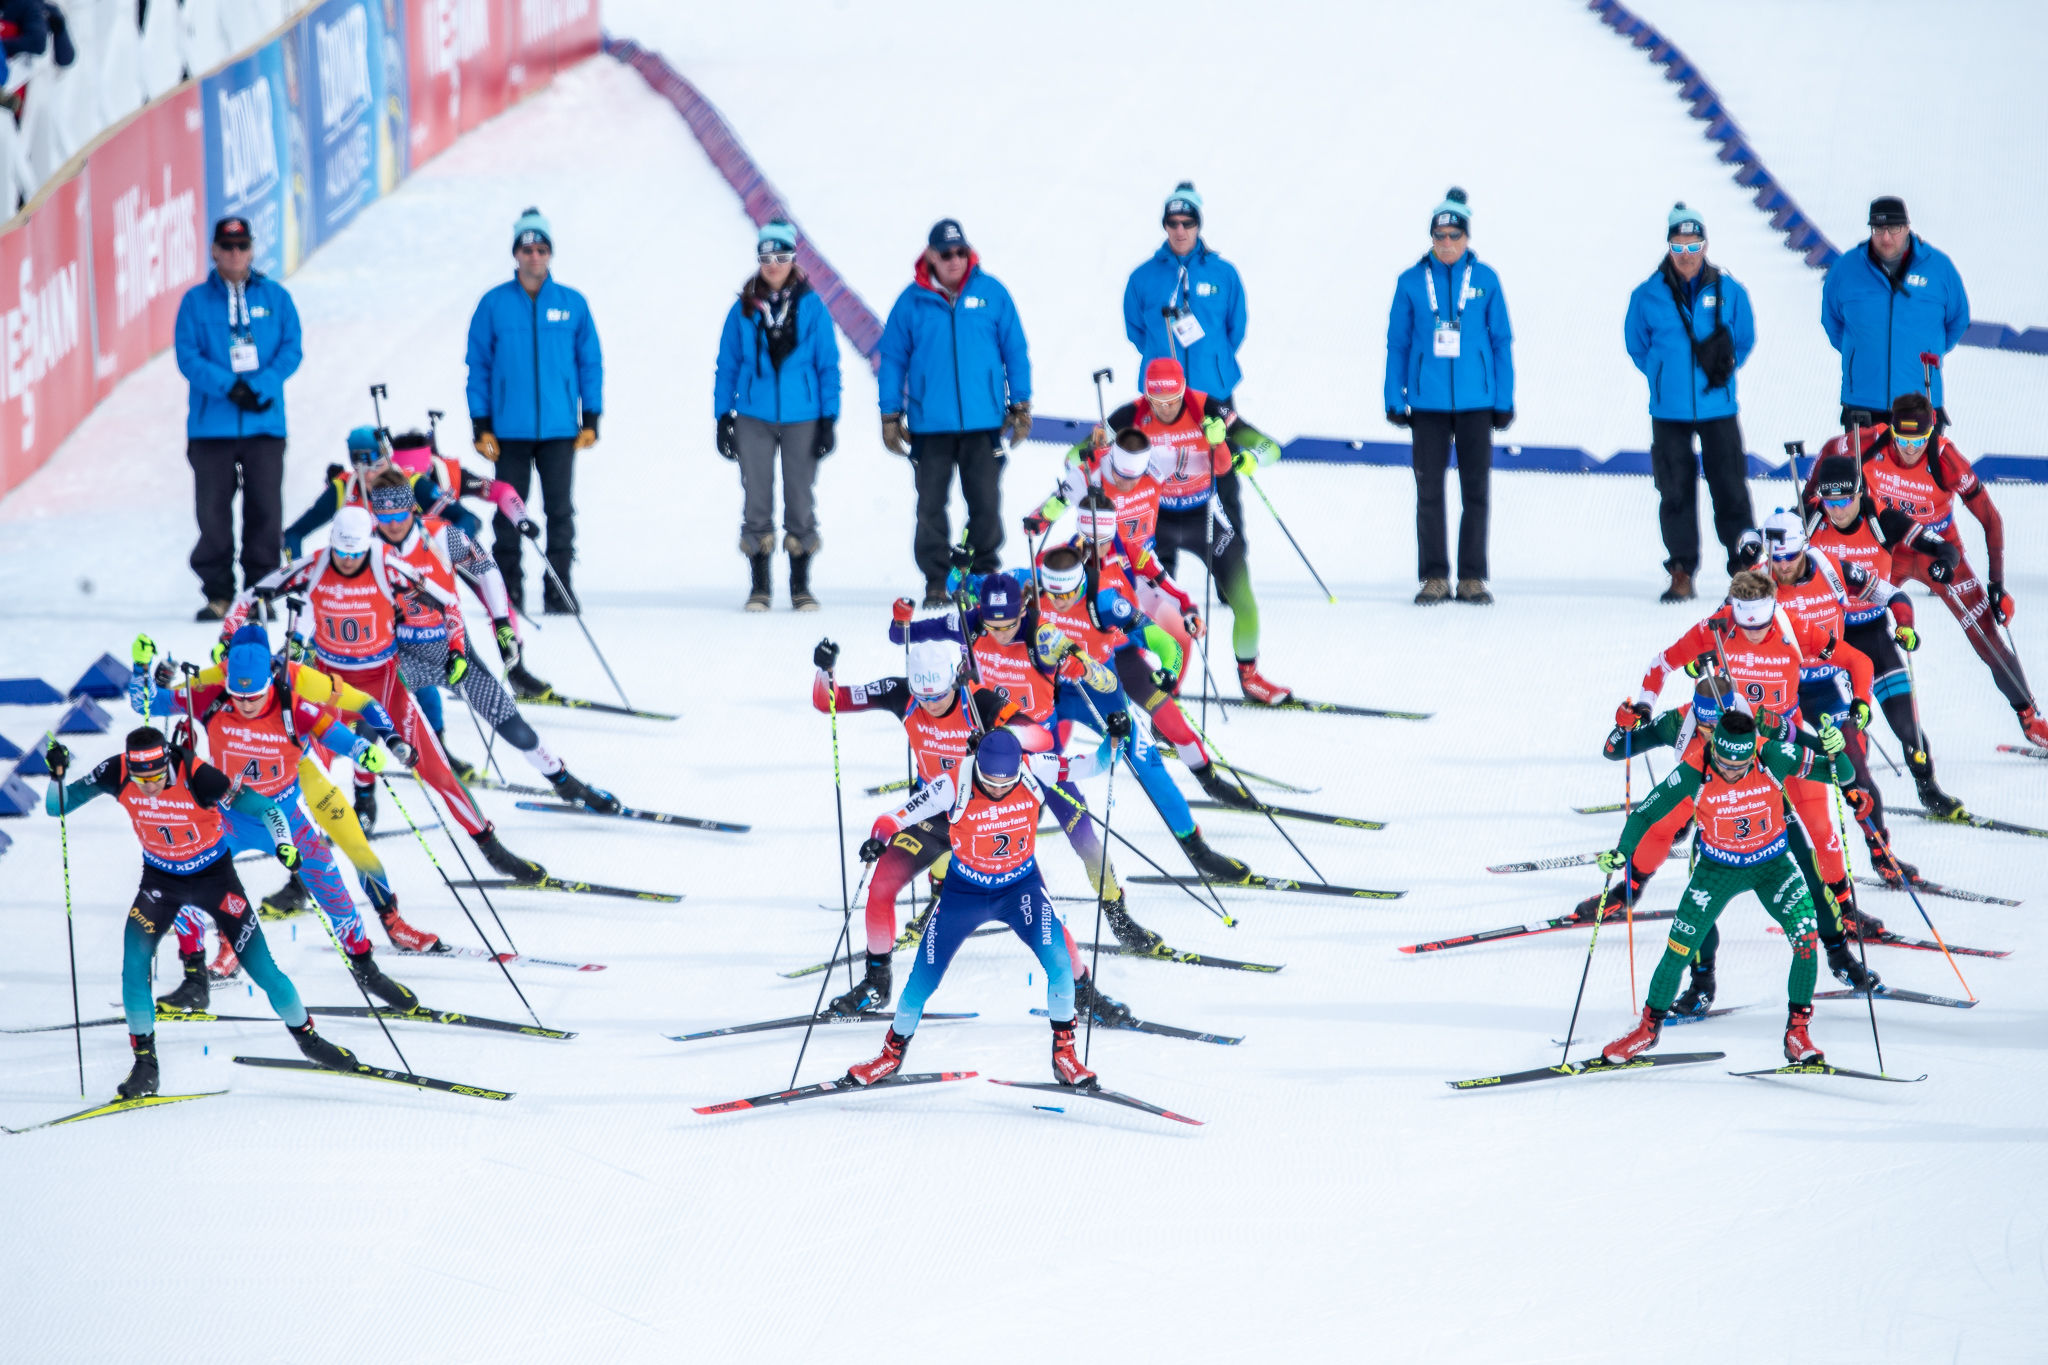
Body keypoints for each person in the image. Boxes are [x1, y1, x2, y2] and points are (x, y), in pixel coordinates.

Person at [220, 505, 544, 880]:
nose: (346, 561)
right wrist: (229, 638)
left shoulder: (388, 566)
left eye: (354, 554)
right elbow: (247, 598)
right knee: (302, 772)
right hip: (330, 687)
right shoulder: (314, 566)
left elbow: (449, 603)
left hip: (384, 684)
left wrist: (457, 647)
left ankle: (492, 849)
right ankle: (302, 877)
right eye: (341, 553)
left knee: (438, 772)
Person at [40, 729, 357, 1099]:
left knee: (263, 969)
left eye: (156, 778)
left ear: (167, 765)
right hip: (161, 882)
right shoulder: (116, 771)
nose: (148, 788)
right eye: (141, 780)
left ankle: (309, 1039)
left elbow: (266, 808)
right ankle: (145, 1065)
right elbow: (57, 805)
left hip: (215, 880)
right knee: (133, 966)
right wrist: (56, 774)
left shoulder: (198, 775)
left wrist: (285, 842)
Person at [140, 626, 422, 1015]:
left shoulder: (293, 707)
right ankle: (195, 980)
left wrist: (362, 750)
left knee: (334, 893)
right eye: (239, 697)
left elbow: (334, 731)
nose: (247, 705)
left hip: (285, 818)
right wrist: (141, 669)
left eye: (254, 696)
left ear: (268, 683)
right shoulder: (211, 696)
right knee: (184, 884)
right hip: (228, 816)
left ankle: (367, 969)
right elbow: (150, 703)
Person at [1596, 709, 1866, 1068]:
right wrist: (1622, 851)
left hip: (1772, 867)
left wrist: (1837, 751)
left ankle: (1797, 1034)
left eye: (1738, 766)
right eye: (1723, 763)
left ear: (1752, 751)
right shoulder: (1698, 765)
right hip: (1717, 870)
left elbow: (1842, 776)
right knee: (1678, 950)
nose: (1730, 772)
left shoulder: (1773, 755)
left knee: (1806, 937)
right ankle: (1647, 1030)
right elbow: (1646, 813)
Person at [840, 729, 1097, 1091]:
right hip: (964, 893)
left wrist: (1118, 736)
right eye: (989, 781)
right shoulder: (953, 783)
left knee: (1058, 963)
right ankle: (890, 1056)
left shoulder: (1036, 767)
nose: (996, 789)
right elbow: (895, 816)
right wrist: (878, 841)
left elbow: (1095, 763)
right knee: (920, 982)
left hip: (1019, 889)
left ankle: (1064, 1057)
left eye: (1004, 783)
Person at [362, 469, 619, 814]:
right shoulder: (363, 545)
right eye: (384, 516)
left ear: (412, 509)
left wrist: (501, 622)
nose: (392, 524)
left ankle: (566, 782)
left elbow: (486, 569)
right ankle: (361, 800)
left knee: (516, 730)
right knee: (363, 720)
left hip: (453, 653)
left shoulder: (440, 536)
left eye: (399, 514)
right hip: (399, 656)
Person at [1805, 393, 2048, 748]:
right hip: (1886, 546)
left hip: (1937, 551)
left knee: (1985, 634)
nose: (1909, 450)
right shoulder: (1868, 442)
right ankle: (1846, 720)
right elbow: (1829, 453)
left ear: (1931, 432)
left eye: (1918, 441)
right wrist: (1810, 505)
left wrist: (1997, 583)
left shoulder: (1946, 458)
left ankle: (2030, 719)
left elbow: (1991, 519)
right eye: (1902, 440)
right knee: (1839, 619)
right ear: (1891, 429)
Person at [1042, 357, 1290, 702]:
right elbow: (1072, 458)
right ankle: (1144, 677)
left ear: (1183, 390)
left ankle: (1251, 678)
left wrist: (1245, 459)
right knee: (1137, 605)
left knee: (1244, 601)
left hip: (1204, 513)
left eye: (1173, 400)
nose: (1166, 408)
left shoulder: (1206, 406)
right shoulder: (1130, 415)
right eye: (1157, 402)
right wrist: (1093, 453)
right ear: (1146, 396)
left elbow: (1269, 447)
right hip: (1156, 519)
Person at [877, 219, 1031, 604]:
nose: (955, 260)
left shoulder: (992, 294)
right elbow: (892, 360)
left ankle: (980, 574)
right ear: (930, 256)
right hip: (931, 426)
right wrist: (890, 414)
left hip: (983, 423)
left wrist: (1021, 403)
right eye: (946, 254)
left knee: (986, 501)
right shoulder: (910, 302)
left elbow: (1015, 350)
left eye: (961, 251)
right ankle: (937, 579)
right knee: (930, 505)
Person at [1803, 450, 1962, 818]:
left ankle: (1929, 788)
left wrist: (1943, 566)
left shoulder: (1883, 521)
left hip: (1873, 632)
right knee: (1844, 732)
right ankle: (1852, 802)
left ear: (1860, 492)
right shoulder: (1809, 518)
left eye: (1844, 499)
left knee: (1908, 728)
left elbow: (1944, 547)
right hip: (1829, 640)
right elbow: (1769, 547)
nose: (1837, 509)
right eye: (1829, 499)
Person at [466, 207, 604, 614]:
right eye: (526, 249)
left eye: (541, 248)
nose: (534, 256)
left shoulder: (572, 304)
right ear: (516, 254)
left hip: (560, 430)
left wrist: (591, 418)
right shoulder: (493, 305)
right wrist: (482, 425)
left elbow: (590, 363)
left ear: (550, 254)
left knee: (560, 510)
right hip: (509, 432)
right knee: (509, 513)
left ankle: (559, 588)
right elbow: (479, 367)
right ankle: (508, 591)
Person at [1384, 188, 1514, 605]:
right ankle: (1435, 577)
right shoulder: (1410, 281)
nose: (1446, 244)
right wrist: (1394, 394)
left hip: (1477, 402)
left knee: (1475, 490)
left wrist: (1504, 397)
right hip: (1428, 403)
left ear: (1466, 237)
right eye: (1439, 236)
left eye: (1453, 236)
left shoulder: (1486, 280)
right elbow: (1398, 343)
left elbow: (1501, 342)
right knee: (1429, 492)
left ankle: (1472, 577)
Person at [1624, 203, 1756, 604]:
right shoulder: (1647, 294)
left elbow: (1745, 339)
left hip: (1718, 408)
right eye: (1679, 246)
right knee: (1674, 490)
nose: (1686, 254)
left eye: (1693, 245)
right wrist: (1662, 376)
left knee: (1730, 486)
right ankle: (1681, 569)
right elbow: (1637, 345)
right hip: (1669, 411)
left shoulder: (1729, 290)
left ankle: (1744, 568)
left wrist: (1722, 374)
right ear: (1669, 247)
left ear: (1705, 245)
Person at [174, 215, 303, 621]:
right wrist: (229, 387)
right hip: (211, 428)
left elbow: (291, 348)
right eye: (227, 246)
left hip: (265, 425)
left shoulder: (277, 297)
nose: (234, 253)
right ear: (213, 250)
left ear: (251, 250)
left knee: (265, 510)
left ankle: (261, 590)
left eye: (242, 246)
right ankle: (219, 594)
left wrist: (259, 387)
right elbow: (187, 355)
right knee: (212, 512)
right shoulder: (195, 301)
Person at [1123, 182, 1253, 562]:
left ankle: (1231, 569)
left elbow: (1235, 328)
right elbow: (1136, 330)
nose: (1180, 230)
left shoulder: (1223, 273)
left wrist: (1213, 363)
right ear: (1165, 225)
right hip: (1162, 400)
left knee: (1223, 479)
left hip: (1212, 393)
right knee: (1161, 483)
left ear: (1198, 224)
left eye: (1188, 222)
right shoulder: (1143, 277)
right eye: (1173, 222)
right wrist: (1161, 366)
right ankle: (1162, 577)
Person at [716, 220, 841, 613]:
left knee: (800, 497)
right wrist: (724, 416)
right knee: (756, 495)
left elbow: (828, 365)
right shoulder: (743, 308)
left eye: (782, 257)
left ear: (793, 259)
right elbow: (728, 365)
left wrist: (828, 418)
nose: (773, 265)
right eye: (767, 257)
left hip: (802, 415)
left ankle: (800, 584)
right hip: (755, 413)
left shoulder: (812, 306)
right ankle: (760, 584)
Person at [1821, 196, 1970, 427]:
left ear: (1908, 228)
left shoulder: (1939, 268)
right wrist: (1860, 353)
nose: (1886, 237)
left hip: (1921, 401)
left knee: (1922, 464)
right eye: (1878, 229)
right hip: (1863, 400)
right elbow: (1832, 321)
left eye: (1894, 228)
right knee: (1859, 464)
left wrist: (1931, 352)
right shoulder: (1845, 268)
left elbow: (1958, 320)